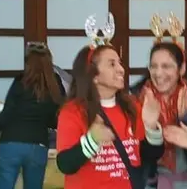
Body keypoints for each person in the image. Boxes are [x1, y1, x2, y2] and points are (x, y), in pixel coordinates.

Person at [56, 43, 165, 188]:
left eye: (120, 63)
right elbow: (65, 164)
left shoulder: (132, 107)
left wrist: (151, 126)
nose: (121, 69)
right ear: (94, 75)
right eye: (112, 64)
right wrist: (92, 140)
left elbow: (150, 156)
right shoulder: (73, 112)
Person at [132, 40, 187, 188]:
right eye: (153, 66)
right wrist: (149, 124)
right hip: (150, 182)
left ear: (181, 69)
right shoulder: (137, 98)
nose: (158, 73)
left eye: (166, 66)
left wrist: (186, 117)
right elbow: (133, 150)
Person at [0, 42, 65, 189]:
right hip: (38, 145)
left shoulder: (20, 80)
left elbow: (7, 112)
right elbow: (57, 118)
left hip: (10, 142)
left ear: (27, 62)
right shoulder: (54, 83)